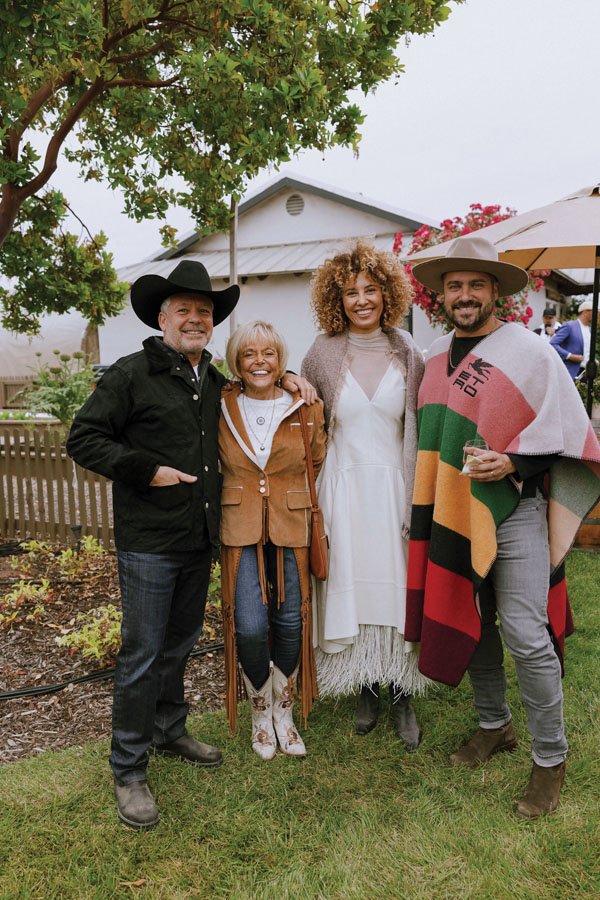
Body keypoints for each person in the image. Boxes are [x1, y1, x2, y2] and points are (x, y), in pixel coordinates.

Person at [67, 261, 312, 829]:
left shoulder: (214, 384)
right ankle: (128, 767)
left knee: (178, 644)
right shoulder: (131, 374)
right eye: (184, 311)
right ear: (162, 318)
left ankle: (169, 729)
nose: (195, 319)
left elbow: (260, 383)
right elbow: (83, 438)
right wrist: (145, 469)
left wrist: (292, 374)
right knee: (142, 653)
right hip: (149, 541)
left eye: (204, 312)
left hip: (199, 537)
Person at [406, 234, 600, 818]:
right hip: (454, 510)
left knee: (524, 630)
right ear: (441, 294)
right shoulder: (436, 355)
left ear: (496, 291)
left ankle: (550, 757)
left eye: (476, 285)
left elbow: (571, 438)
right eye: (454, 286)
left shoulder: (530, 352)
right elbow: (432, 440)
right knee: (475, 619)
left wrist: (515, 461)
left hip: (516, 511)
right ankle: (495, 726)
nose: (464, 295)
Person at [301, 241, 428, 750]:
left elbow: (419, 424)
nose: (361, 300)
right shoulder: (322, 352)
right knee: (352, 578)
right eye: (350, 292)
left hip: (393, 485)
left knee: (396, 585)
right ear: (337, 298)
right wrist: (294, 381)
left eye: (370, 289)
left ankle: (402, 690)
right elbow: (301, 407)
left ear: (386, 293)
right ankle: (366, 684)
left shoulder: (409, 352)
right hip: (343, 482)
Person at [219, 321, 326, 759]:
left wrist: (289, 380)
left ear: (281, 359)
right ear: (236, 362)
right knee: (249, 625)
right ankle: (260, 715)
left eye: (269, 354)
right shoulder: (221, 402)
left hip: (290, 523)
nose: (259, 361)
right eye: (249, 354)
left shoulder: (305, 404)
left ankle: (285, 713)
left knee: (290, 622)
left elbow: (316, 459)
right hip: (239, 525)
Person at [550, 298, 593, 378]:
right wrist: (570, 356)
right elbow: (553, 343)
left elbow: (587, 349)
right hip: (570, 372)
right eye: (593, 312)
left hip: (585, 374)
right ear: (585, 312)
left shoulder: (590, 329)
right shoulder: (570, 326)